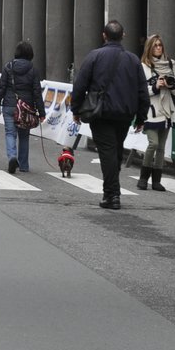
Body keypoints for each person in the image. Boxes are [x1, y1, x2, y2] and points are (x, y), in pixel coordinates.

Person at [71, 20, 150, 210]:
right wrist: (141, 117)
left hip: (102, 113)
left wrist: (76, 109)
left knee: (108, 152)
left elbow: (80, 86)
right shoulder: (133, 60)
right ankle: (112, 191)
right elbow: (142, 91)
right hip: (124, 114)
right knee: (115, 151)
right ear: (123, 35)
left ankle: (112, 194)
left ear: (104, 35)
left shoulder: (94, 56)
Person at [137, 34, 175, 191]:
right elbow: (141, 91)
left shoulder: (171, 64)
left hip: (168, 110)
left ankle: (156, 180)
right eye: (155, 45)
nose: (158, 48)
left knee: (162, 147)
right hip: (152, 110)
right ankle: (143, 178)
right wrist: (156, 86)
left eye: (160, 45)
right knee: (153, 143)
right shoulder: (144, 66)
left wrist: (171, 86)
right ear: (149, 47)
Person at [0, 41, 43, 174]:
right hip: (26, 107)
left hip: (10, 105)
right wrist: (41, 111)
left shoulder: (8, 67)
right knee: (24, 136)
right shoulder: (33, 70)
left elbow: (1, 88)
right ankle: (24, 165)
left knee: (10, 133)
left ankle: (12, 157)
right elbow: (37, 92)